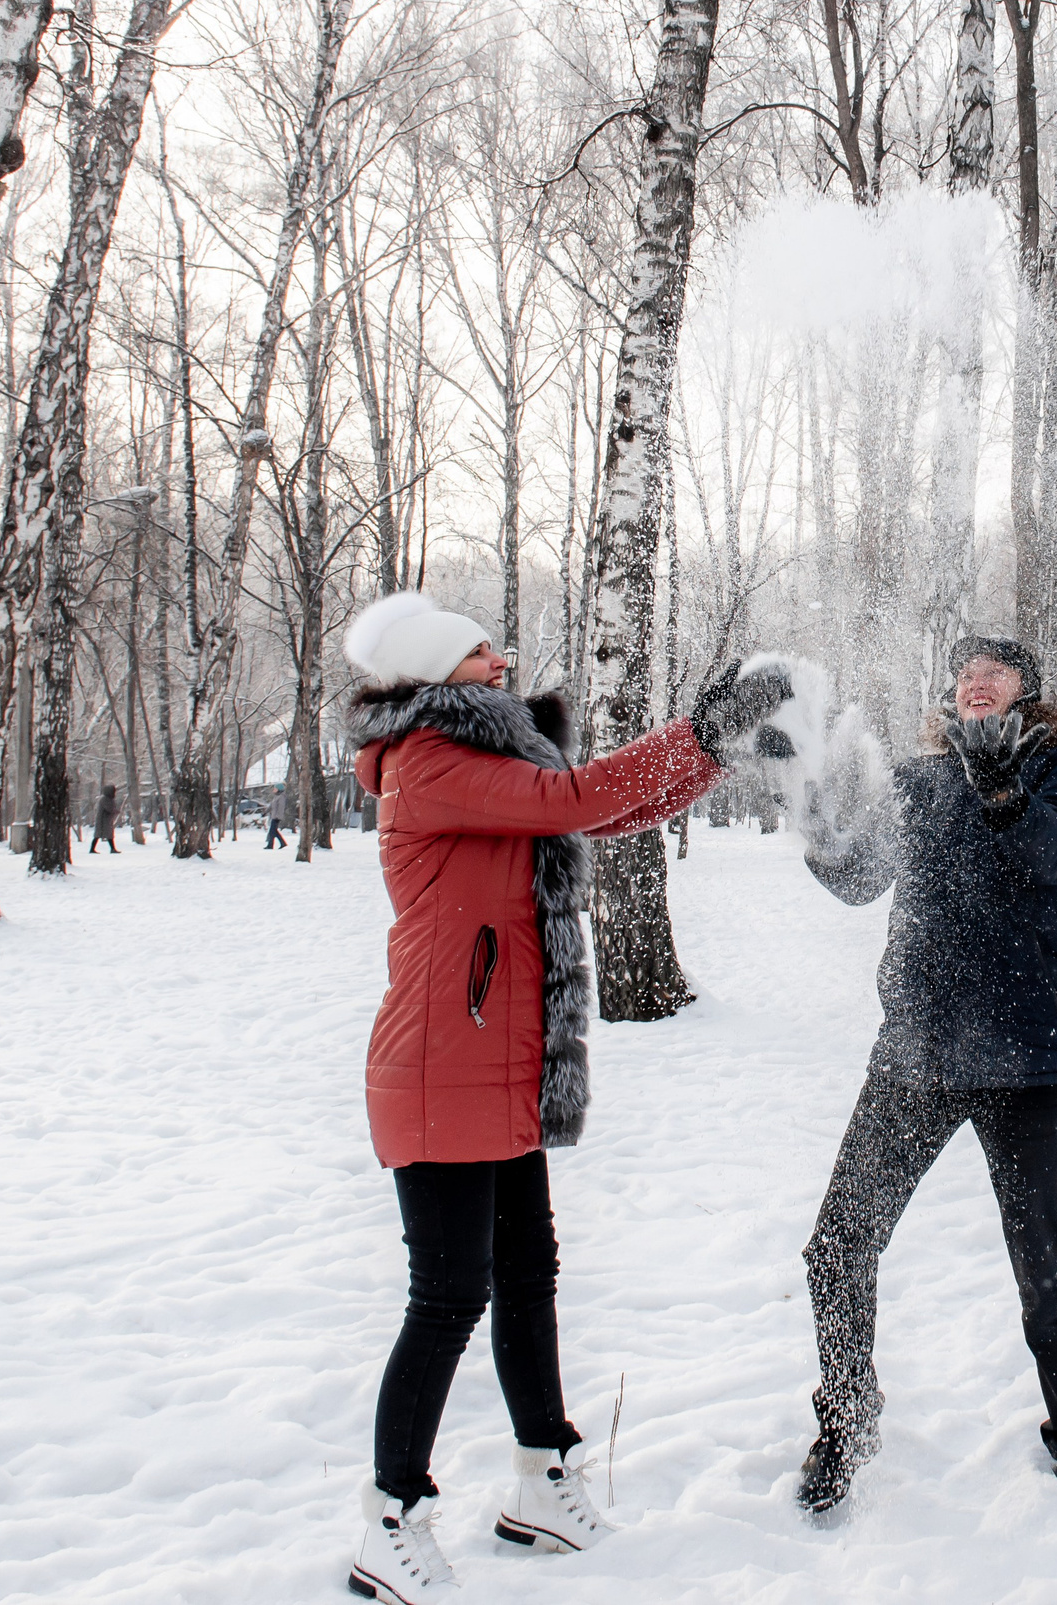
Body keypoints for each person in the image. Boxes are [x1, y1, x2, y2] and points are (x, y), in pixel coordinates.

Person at [339, 590, 789, 1603]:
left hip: (496, 1058)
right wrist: (696, 729)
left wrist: (711, 752)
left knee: (528, 1271)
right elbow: (572, 801)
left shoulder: (493, 758)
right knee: (447, 1294)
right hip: (440, 1063)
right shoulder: (431, 762)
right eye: (479, 649)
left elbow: (608, 806)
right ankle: (390, 1518)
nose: (501, 660)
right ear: (432, 666)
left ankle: (541, 1477)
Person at [792, 636, 1057, 1526]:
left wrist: (1001, 786)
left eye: (998, 669)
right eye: (965, 672)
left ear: (1028, 691)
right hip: (919, 1055)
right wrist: (817, 807)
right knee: (837, 1244)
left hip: (1026, 1061)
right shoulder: (915, 779)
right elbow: (859, 880)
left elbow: (1050, 856)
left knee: (1045, 1270)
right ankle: (847, 1417)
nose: (976, 679)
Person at [90, 785, 121, 855]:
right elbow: (109, 808)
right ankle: (92, 849)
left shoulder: (109, 799)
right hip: (102, 820)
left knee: (108, 835)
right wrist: (115, 811)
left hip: (107, 820)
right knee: (99, 835)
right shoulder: (104, 799)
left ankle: (112, 849)